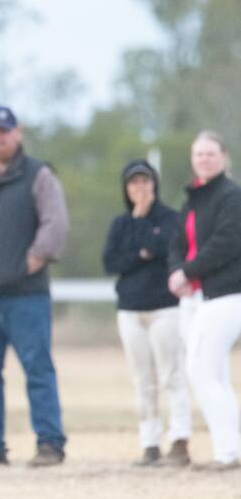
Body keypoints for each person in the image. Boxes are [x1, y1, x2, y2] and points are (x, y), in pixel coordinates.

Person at [0, 105, 70, 468]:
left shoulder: (39, 175)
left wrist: (32, 261)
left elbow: (56, 224)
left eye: (5, 131)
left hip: (26, 295)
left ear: (16, 133)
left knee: (38, 369)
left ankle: (50, 443)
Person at [102, 160, 191, 467]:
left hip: (164, 309)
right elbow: (111, 262)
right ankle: (149, 442)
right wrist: (141, 250)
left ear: (154, 184)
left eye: (144, 181)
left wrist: (141, 249)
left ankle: (179, 439)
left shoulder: (170, 218)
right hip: (130, 310)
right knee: (143, 380)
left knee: (171, 375)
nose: (139, 188)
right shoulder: (120, 223)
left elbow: (164, 246)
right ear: (126, 189)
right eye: (133, 183)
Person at [168, 132, 241, 471]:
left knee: (198, 369)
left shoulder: (231, 196)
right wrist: (177, 272)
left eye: (211, 153)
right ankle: (232, 449)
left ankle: (227, 452)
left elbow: (227, 243)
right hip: (198, 295)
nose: (204, 159)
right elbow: (178, 242)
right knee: (216, 375)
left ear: (224, 157)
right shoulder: (193, 199)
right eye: (199, 154)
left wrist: (189, 271)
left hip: (226, 295)